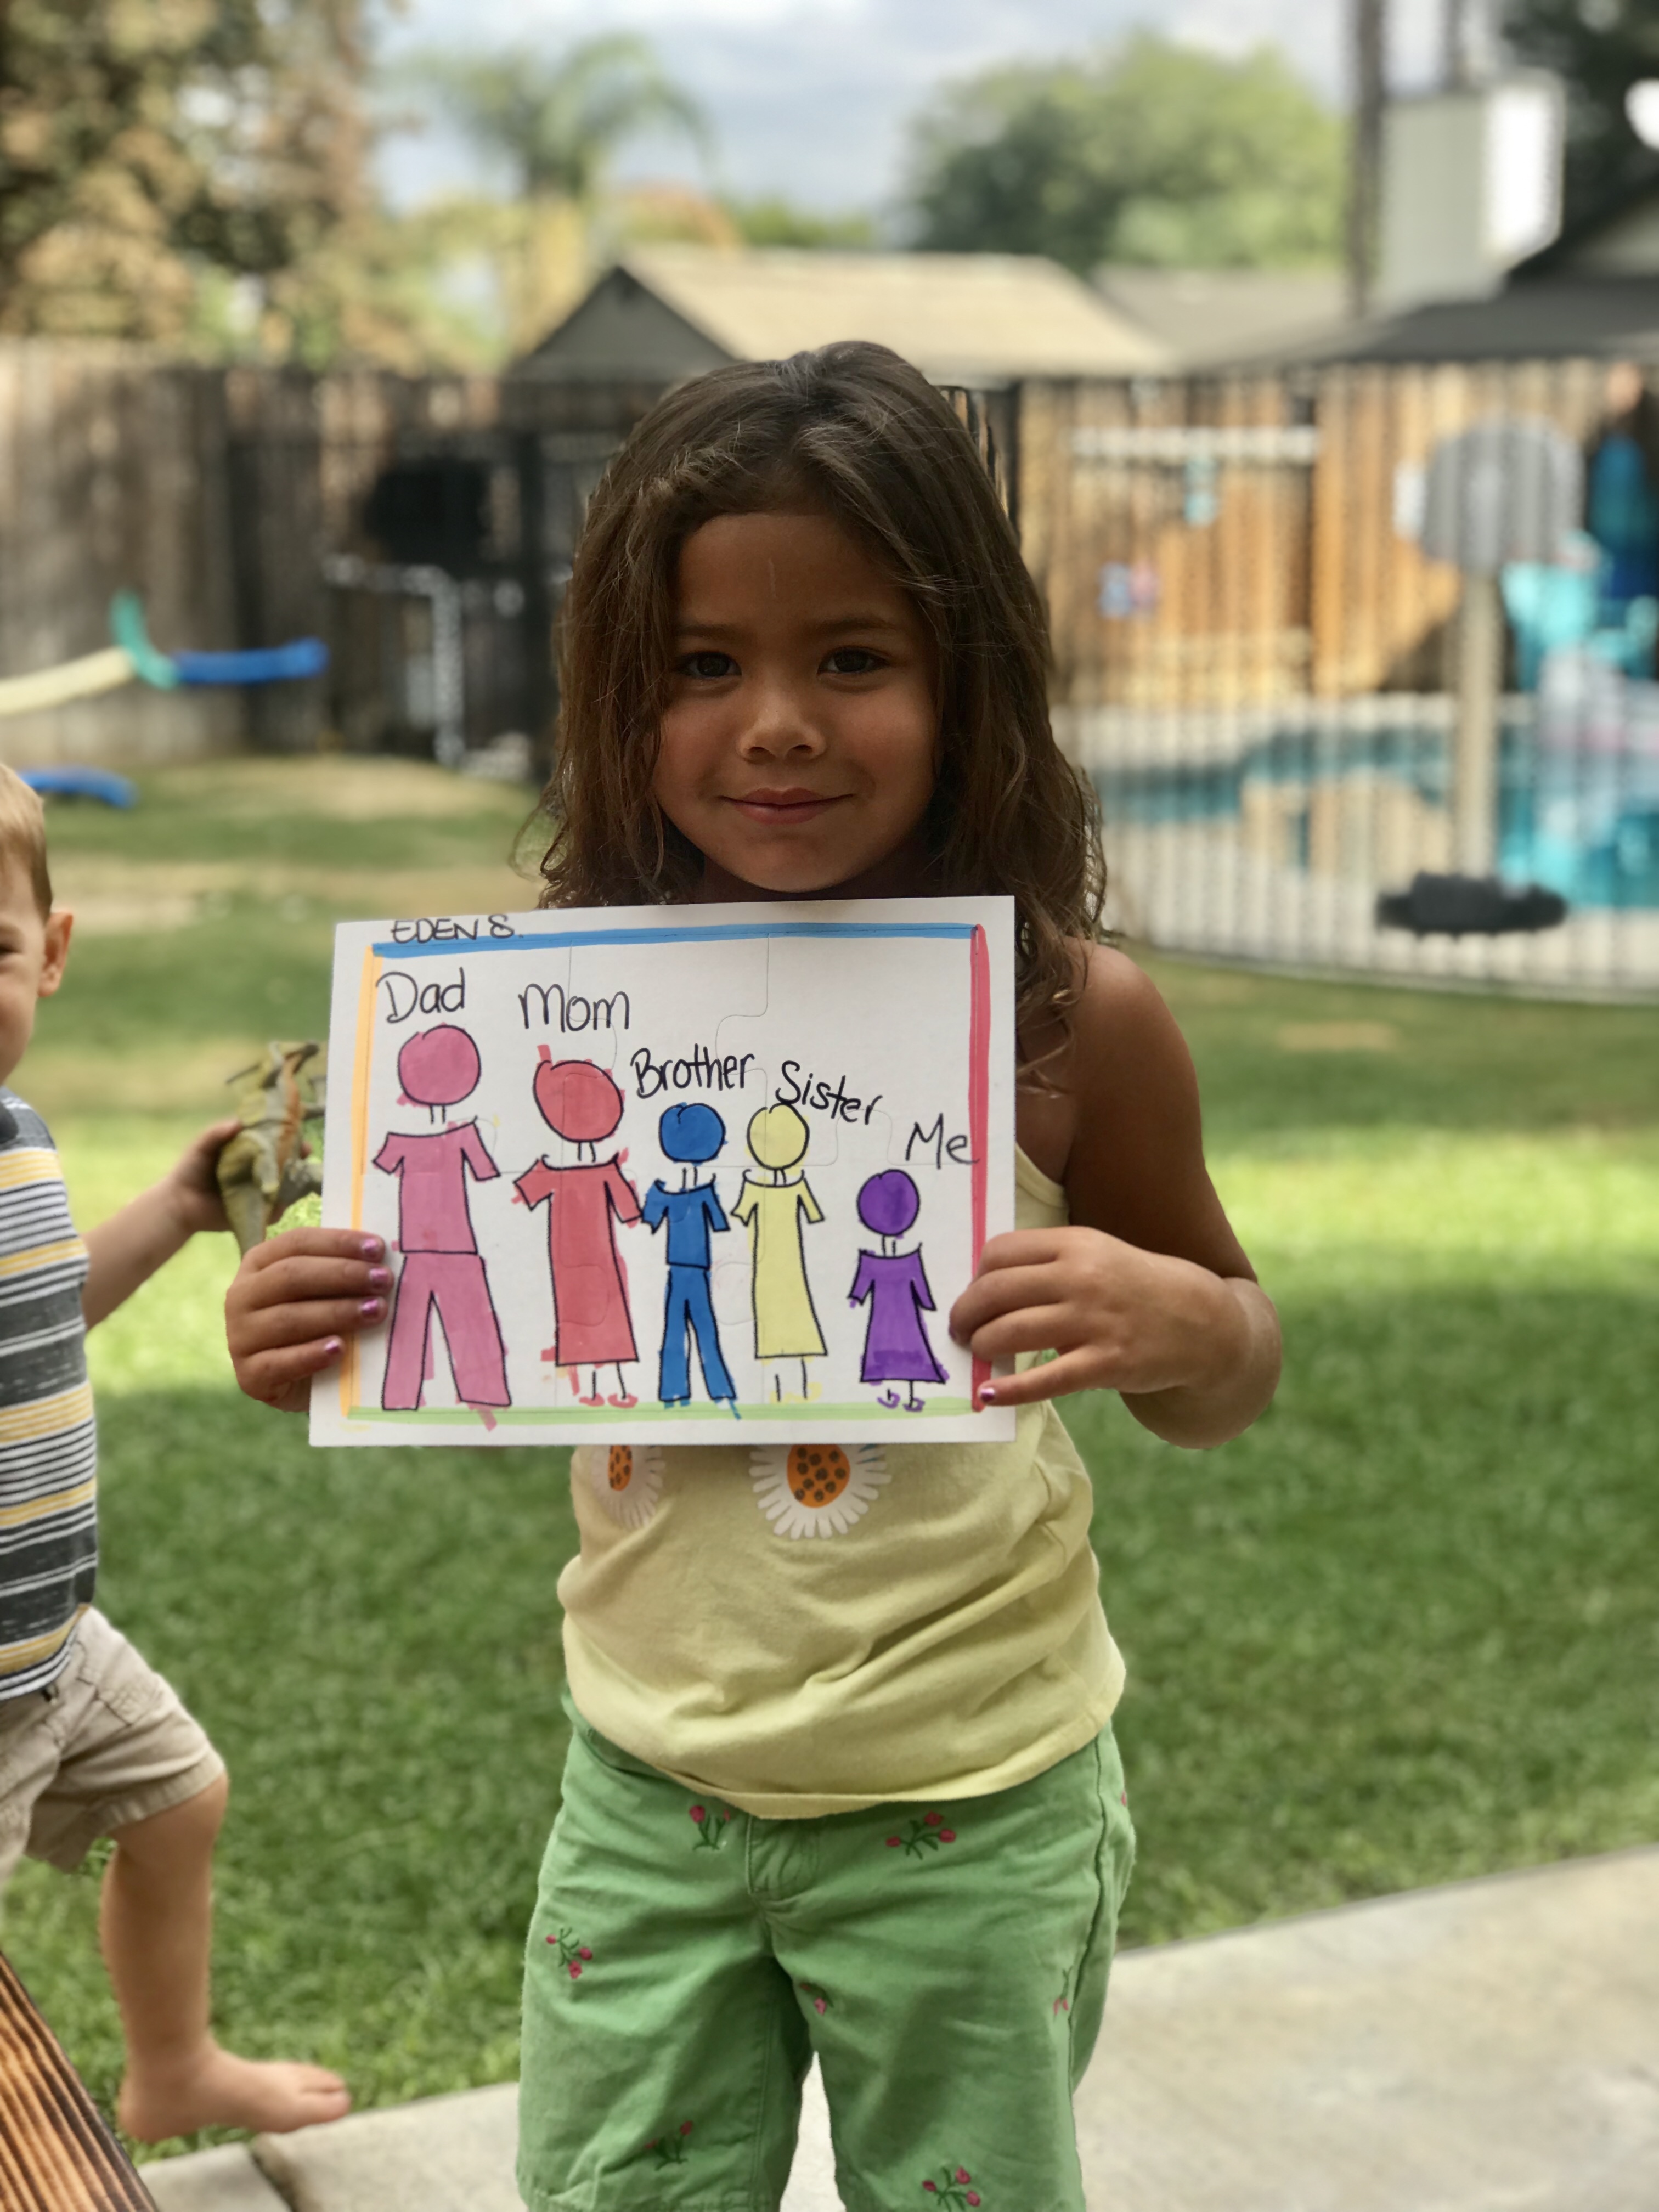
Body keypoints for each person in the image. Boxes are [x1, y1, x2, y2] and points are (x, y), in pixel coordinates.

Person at [224, 342, 1281, 2209]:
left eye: (851, 658)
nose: (775, 724)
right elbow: (466, 1312)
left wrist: (1184, 1323)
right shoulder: (565, 1004)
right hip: (650, 1789)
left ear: (969, 680)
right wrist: (307, 1322)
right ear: (616, 694)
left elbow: (1229, 1368)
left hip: (975, 1801)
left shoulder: (1067, 1023)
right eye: (703, 667)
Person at [0, 764, 349, 2142]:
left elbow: (42, 1309)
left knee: (179, 1800)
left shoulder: (18, 1137)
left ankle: (174, 2066)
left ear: (53, 952)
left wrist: (171, 1209)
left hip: (54, 1637)